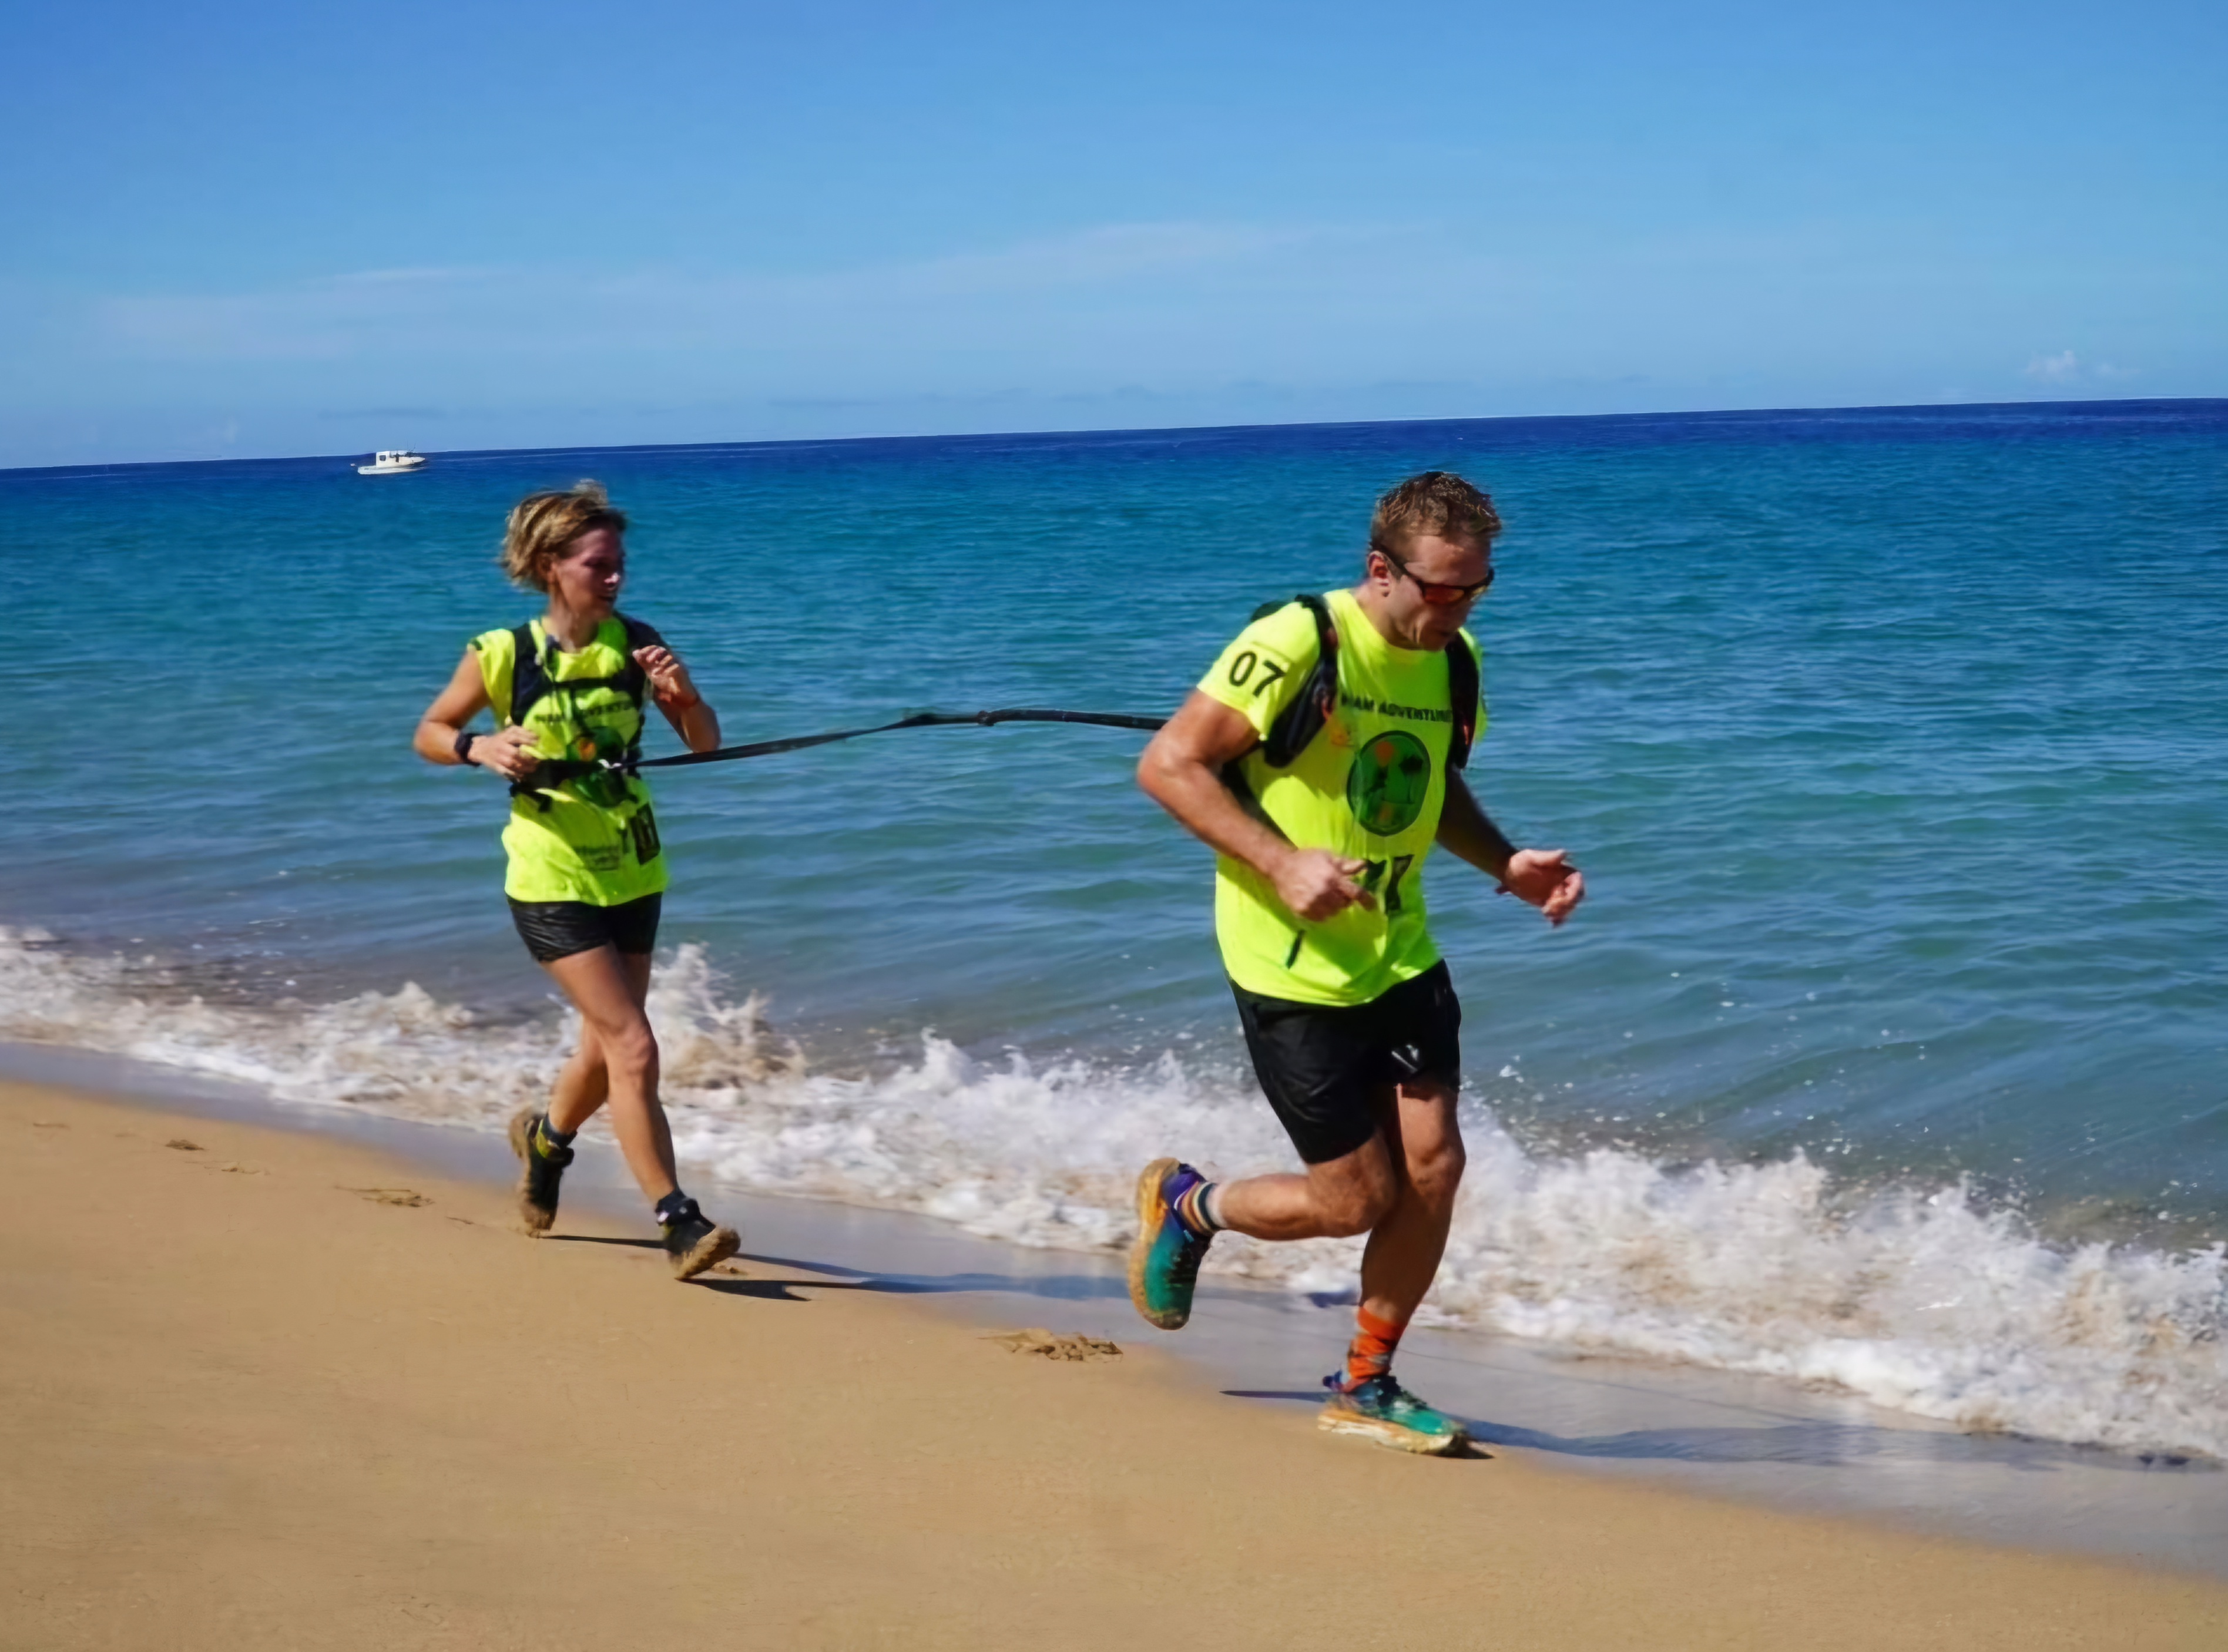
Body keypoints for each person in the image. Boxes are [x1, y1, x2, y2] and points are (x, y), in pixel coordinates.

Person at [1130, 471, 1583, 1453]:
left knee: (1436, 1168)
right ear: (1383, 570)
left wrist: (1504, 861)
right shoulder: (1302, 640)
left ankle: (1367, 1381)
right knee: (1353, 1201)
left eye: (1477, 589)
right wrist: (1283, 861)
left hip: (1400, 949)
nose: (1457, 610)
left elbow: (1432, 786)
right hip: (1291, 967)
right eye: (1440, 589)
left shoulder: (1453, 660)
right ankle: (1190, 1206)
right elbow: (1170, 763)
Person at [413, 481, 741, 1281]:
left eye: (620, 563)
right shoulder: (501, 654)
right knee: (633, 1043)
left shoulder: (638, 643)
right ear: (550, 565)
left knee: (604, 1046)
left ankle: (546, 1142)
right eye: (599, 565)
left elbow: (704, 744)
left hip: (633, 864)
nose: (617, 578)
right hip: (549, 874)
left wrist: (682, 693)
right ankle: (677, 1219)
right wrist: (479, 750)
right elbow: (430, 731)